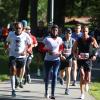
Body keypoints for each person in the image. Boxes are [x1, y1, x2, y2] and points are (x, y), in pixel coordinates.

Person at [5, 22, 32, 97]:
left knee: (18, 73)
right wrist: (7, 48)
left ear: (22, 28)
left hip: (21, 57)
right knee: (13, 70)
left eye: (19, 28)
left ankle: (17, 80)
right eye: (16, 28)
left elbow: (30, 44)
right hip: (12, 55)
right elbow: (7, 42)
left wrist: (26, 51)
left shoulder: (25, 35)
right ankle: (13, 90)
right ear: (14, 28)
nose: (18, 29)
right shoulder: (11, 34)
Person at [72, 25, 98, 99]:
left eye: (86, 31)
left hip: (88, 60)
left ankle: (87, 83)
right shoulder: (78, 40)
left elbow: (96, 48)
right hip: (80, 60)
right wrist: (76, 55)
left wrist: (95, 55)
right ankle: (82, 93)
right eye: (83, 31)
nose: (84, 32)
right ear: (81, 31)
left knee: (88, 79)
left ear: (88, 31)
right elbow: (73, 49)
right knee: (82, 75)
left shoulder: (92, 39)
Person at [39, 25, 63, 99]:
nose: (55, 32)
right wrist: (47, 50)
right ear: (51, 31)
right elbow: (40, 48)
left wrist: (60, 53)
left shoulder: (59, 39)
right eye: (53, 30)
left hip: (56, 60)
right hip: (48, 60)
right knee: (47, 76)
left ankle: (52, 94)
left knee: (55, 75)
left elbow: (61, 47)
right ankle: (46, 92)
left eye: (56, 30)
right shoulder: (47, 39)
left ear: (57, 31)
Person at [59, 28, 75, 95]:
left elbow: (74, 50)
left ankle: (67, 88)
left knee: (68, 72)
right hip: (62, 58)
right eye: (67, 33)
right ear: (65, 33)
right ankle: (61, 77)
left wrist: (72, 56)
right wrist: (61, 56)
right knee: (62, 74)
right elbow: (58, 49)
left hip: (69, 58)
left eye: (69, 33)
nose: (68, 34)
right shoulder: (61, 40)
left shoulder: (73, 41)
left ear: (71, 34)